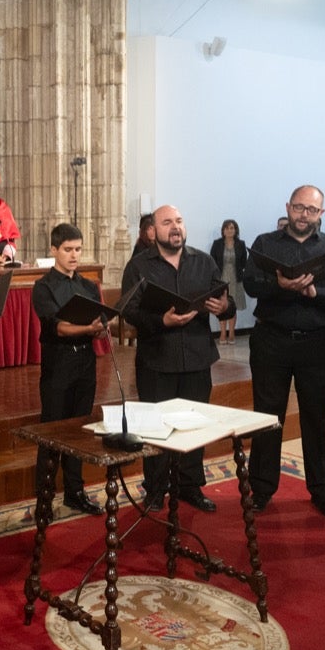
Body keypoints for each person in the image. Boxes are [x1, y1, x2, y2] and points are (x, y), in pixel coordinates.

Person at [242, 185, 325, 518]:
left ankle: (321, 489)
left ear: (321, 213)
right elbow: (250, 284)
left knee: (317, 417)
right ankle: (261, 488)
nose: (303, 215)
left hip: (318, 341)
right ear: (288, 207)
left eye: (311, 210)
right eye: (298, 208)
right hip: (271, 339)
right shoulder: (266, 243)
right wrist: (280, 285)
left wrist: (315, 291)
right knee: (266, 417)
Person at [121, 205, 231, 512]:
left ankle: (190, 487)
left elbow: (226, 300)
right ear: (153, 231)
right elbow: (128, 311)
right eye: (167, 222)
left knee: (193, 428)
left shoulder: (203, 261)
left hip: (197, 357)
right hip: (157, 359)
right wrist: (162, 322)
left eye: (179, 221)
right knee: (158, 429)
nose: (175, 227)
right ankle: (155, 490)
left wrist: (225, 307)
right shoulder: (139, 266)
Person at [31, 223, 109, 516]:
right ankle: (44, 497)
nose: (74, 255)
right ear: (54, 250)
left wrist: (100, 329)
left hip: (85, 364)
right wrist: (88, 328)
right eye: (68, 249)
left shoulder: (88, 286)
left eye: (78, 249)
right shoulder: (44, 286)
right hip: (58, 365)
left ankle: (75, 492)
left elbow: (99, 323)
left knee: (78, 432)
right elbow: (58, 328)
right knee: (51, 431)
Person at [209, 219, 248, 346]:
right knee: (221, 306)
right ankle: (222, 333)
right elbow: (212, 261)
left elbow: (243, 262)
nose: (229, 230)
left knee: (233, 306)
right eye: (227, 228)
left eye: (232, 228)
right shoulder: (217, 244)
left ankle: (231, 333)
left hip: (235, 279)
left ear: (236, 230)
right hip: (221, 279)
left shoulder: (241, 244)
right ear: (223, 231)